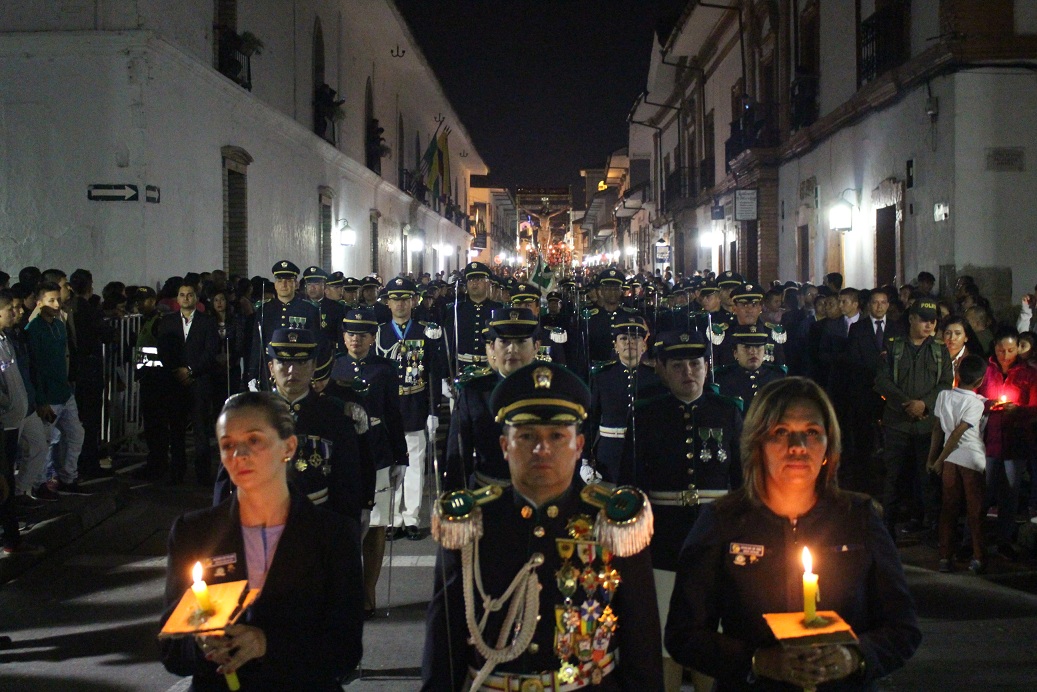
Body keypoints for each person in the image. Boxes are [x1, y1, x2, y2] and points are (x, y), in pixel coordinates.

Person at [665, 377, 921, 691]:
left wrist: (854, 658)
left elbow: (903, 627)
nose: (797, 447)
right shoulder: (723, 521)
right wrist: (758, 662)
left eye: (812, 433)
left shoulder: (859, 518)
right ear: (758, 444)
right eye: (781, 432)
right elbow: (683, 634)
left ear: (829, 445)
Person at [422, 361, 663, 691]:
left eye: (557, 436)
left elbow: (642, 639)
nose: (542, 449)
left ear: (579, 446)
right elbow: (444, 639)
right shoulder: (472, 522)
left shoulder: (612, 521)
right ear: (505, 447)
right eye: (527, 436)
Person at [160, 392, 363, 690]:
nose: (239, 454)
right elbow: (171, 651)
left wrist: (267, 644)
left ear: (289, 447)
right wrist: (199, 643)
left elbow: (344, 653)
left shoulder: (331, 535)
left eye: (254, 440)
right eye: (227, 445)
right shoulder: (195, 533)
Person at [620, 329, 743, 691]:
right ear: (661, 368)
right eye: (678, 365)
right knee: (664, 640)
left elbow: (741, 480)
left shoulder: (727, 412)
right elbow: (631, 481)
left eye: (696, 363)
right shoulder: (645, 415)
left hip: (714, 536)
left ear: (707, 367)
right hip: (663, 538)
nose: (688, 372)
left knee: (711, 636)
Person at [325, 308, 407, 616]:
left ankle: (368, 590)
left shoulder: (384, 369)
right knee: (346, 523)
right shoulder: (334, 367)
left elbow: (393, 413)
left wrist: (402, 457)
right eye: (350, 334)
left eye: (362, 334)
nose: (355, 339)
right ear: (343, 337)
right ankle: (345, 588)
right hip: (347, 453)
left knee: (377, 524)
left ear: (373, 338)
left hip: (377, 451)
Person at [875, 298, 953, 536]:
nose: (929, 325)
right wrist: (906, 404)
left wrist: (924, 405)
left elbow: (945, 383)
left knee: (927, 479)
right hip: (897, 423)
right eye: (923, 320)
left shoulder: (940, 351)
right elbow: (881, 381)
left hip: (926, 425)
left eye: (933, 321)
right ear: (911, 319)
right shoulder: (894, 348)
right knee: (894, 479)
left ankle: (930, 528)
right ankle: (887, 529)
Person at [375, 277, 444, 540]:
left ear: (413, 301)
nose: (400, 304)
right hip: (389, 407)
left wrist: (434, 410)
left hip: (415, 404)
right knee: (392, 464)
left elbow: (433, 373)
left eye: (405, 298)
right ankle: (392, 518)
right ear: (388, 302)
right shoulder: (380, 333)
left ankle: (412, 517)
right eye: (395, 299)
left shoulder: (424, 331)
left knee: (415, 464)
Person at [443, 307, 541, 490]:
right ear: (491, 347)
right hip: (488, 496)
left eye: (521, 342)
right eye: (504, 342)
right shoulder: (474, 392)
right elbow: (457, 455)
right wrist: (453, 502)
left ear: (536, 347)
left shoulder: (553, 392)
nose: (512, 349)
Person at [977, 327, 1037, 556]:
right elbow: (975, 397)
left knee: (1010, 494)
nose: (1005, 355)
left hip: (1016, 441)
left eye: (1011, 350)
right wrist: (987, 405)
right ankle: (974, 540)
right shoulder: (987, 371)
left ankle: (1004, 539)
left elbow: (1034, 408)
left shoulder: (1028, 374)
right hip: (990, 440)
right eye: (1001, 350)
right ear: (995, 348)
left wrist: (1017, 411)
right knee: (984, 491)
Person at [928, 354, 989, 574]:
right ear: (980, 381)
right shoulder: (975, 403)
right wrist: (938, 460)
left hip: (950, 461)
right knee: (975, 511)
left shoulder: (943, 396)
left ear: (957, 374)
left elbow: (938, 429)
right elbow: (957, 434)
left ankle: (945, 557)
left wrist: (932, 458)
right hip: (971, 460)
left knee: (949, 509)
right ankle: (978, 558)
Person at [25, 281, 86, 493]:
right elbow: (34, 367)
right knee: (46, 441)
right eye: (51, 300)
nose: (57, 304)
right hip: (48, 395)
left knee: (75, 434)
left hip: (64, 391)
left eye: (58, 299)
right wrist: (40, 399)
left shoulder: (59, 325)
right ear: (39, 303)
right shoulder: (33, 330)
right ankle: (40, 483)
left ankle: (68, 477)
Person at [586, 315, 663, 482]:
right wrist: (585, 459)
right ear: (615, 345)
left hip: (646, 453)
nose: (629, 342)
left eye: (635, 338)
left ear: (644, 345)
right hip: (609, 454)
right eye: (623, 338)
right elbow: (591, 419)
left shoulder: (656, 379)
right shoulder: (602, 377)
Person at [157, 281, 220, 485]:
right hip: (175, 384)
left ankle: (202, 473)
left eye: (190, 294)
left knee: (201, 430)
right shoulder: (167, 322)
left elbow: (210, 352)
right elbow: (163, 350)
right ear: (177, 299)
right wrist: (176, 370)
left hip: (199, 382)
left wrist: (192, 371)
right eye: (182, 295)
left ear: (196, 298)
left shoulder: (207, 322)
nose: (186, 298)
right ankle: (177, 471)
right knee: (176, 429)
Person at [245, 261, 322, 390]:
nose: (284, 284)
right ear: (275, 284)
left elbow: (316, 343)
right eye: (280, 280)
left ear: (295, 284)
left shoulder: (308, 309)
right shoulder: (265, 310)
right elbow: (257, 343)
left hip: (298, 368)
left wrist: (315, 373)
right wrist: (252, 373)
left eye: (288, 280)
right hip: (269, 369)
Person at [714, 326, 787, 413]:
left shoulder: (777, 378)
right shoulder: (722, 379)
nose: (753, 351)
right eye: (747, 347)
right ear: (735, 353)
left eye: (758, 346)